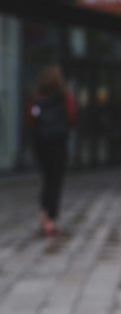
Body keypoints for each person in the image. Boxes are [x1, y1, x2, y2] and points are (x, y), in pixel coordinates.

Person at [27, 65, 76, 237]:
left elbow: (30, 118)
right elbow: (71, 116)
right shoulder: (64, 96)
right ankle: (50, 220)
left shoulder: (36, 97)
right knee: (55, 182)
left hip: (41, 144)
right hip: (58, 143)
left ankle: (44, 215)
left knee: (47, 180)